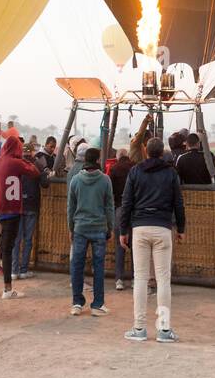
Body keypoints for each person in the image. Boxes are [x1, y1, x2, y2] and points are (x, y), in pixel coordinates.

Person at [121, 136, 185, 343]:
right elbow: (178, 203)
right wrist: (181, 227)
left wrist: (124, 230)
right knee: (163, 279)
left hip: (140, 227)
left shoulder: (135, 171)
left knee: (140, 278)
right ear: (162, 152)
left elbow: (127, 202)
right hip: (163, 227)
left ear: (146, 152)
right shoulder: (170, 173)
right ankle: (164, 329)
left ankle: (139, 327)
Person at [0, 131, 38, 301]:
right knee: (7, 250)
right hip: (12, 212)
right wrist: (24, 158)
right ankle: (7, 289)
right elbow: (35, 172)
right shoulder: (17, 163)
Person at [67, 147, 114, 316]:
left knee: (77, 265)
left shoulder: (75, 180)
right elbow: (109, 207)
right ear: (98, 160)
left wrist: (71, 228)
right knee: (98, 267)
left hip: (80, 228)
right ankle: (97, 304)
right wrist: (110, 227)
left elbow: (70, 208)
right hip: (99, 228)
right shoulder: (105, 180)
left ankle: (77, 302)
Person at [12, 148, 51, 280]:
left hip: (18, 205)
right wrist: (45, 172)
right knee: (28, 239)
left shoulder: (15, 165)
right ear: (33, 154)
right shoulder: (37, 165)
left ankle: (14, 270)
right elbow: (45, 184)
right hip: (32, 206)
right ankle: (23, 269)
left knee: (17, 240)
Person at [108, 146, 134, 289]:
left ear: (117, 157)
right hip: (134, 210)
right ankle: (136, 278)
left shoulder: (114, 169)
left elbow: (110, 191)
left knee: (120, 246)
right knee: (135, 245)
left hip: (119, 208)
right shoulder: (135, 168)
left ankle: (119, 280)